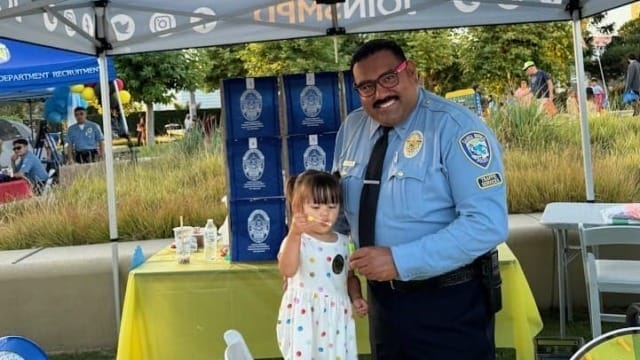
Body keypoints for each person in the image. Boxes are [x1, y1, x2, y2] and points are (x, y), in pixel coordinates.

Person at [333, 39, 507, 359]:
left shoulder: (456, 128)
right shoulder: (353, 127)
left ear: (411, 72)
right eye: (367, 87)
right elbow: (339, 211)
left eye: (389, 78)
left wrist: (400, 260)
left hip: (448, 304)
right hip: (382, 303)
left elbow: (487, 224)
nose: (381, 94)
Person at [276, 170, 368, 360]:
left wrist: (356, 296)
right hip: (305, 317)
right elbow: (287, 270)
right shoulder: (297, 240)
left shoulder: (344, 242)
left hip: (336, 319)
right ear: (298, 208)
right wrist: (294, 234)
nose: (325, 213)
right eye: (316, 207)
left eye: (332, 206)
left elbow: (349, 276)